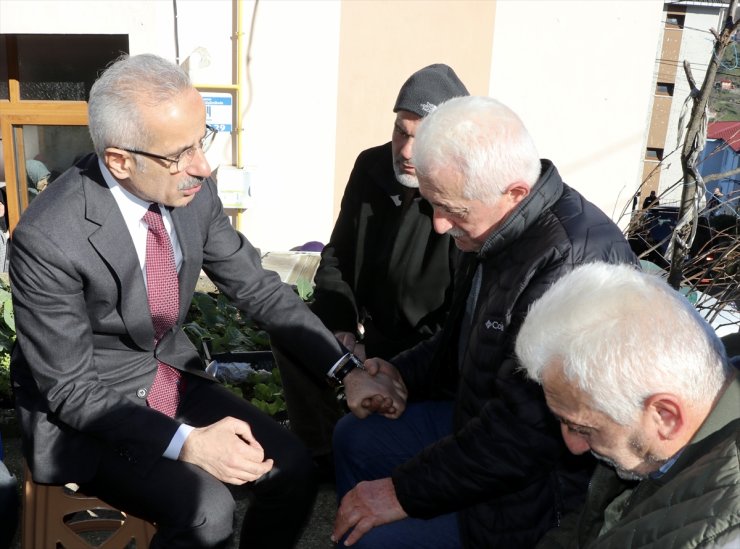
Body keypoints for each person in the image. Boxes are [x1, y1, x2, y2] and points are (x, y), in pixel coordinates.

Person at [9, 53, 403, 549]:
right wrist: (187, 444)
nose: (203, 165)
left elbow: (256, 288)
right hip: (82, 411)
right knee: (206, 510)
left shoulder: (191, 188)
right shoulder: (48, 238)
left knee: (294, 469)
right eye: (179, 153)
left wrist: (346, 370)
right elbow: (70, 390)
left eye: (203, 139)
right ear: (119, 161)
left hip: (164, 377)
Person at [331, 96, 639, 548]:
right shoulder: (496, 229)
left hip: (539, 491)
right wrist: (397, 373)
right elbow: (463, 339)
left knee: (378, 537)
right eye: (433, 203)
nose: (439, 225)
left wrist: (401, 493)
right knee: (357, 438)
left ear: (514, 192)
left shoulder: (570, 267)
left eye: (452, 209)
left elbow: (526, 433)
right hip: (482, 424)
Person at [274, 63, 468, 462]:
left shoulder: (465, 194)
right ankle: (321, 455)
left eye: (423, 137)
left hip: (426, 352)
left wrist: (382, 359)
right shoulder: (371, 167)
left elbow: (459, 319)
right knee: (290, 332)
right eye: (401, 131)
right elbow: (337, 254)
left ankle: (373, 436)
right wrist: (342, 323)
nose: (408, 151)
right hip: (367, 336)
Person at [515, 262, 739, 548]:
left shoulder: (719, 537)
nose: (573, 445)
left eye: (581, 428)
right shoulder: (653, 443)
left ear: (666, 417)